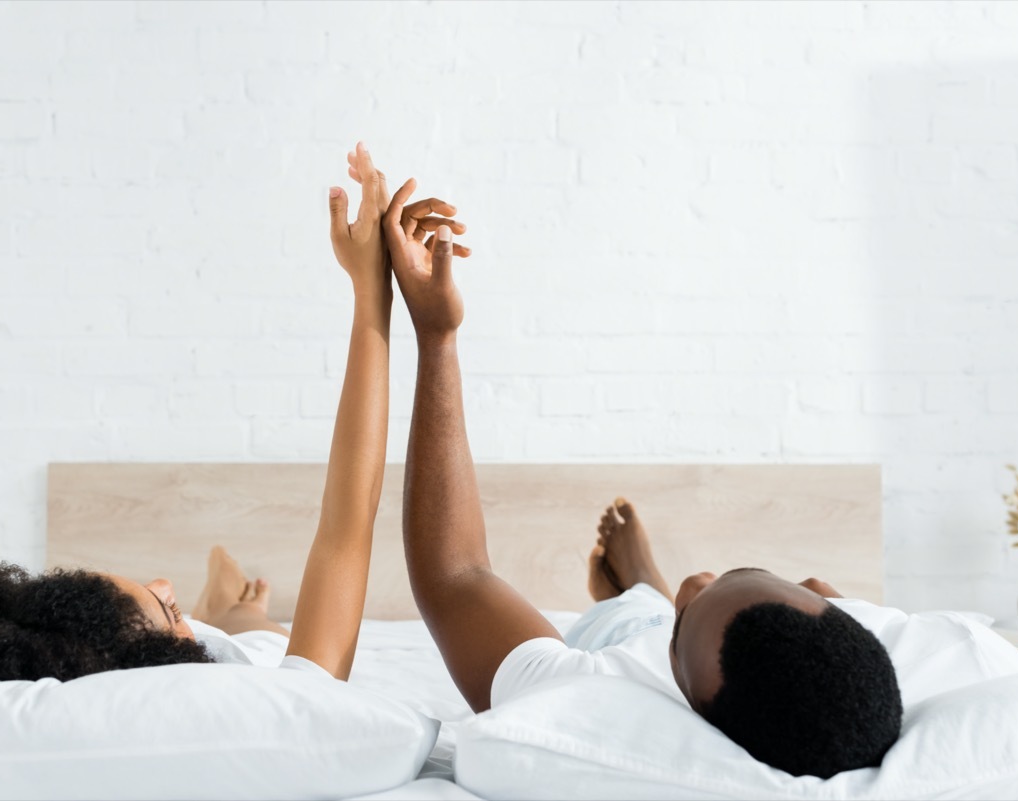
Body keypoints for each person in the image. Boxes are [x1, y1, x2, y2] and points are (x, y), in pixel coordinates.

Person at [0, 142, 466, 685]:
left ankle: (232, 601)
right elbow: (346, 523)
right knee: (255, 637)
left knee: (240, 627)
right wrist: (370, 288)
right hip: (244, 656)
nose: (166, 583)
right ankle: (237, 607)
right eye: (170, 611)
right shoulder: (267, 706)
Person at [381, 179, 903, 779]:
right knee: (657, 608)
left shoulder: (591, 693)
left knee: (632, 621)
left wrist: (436, 336)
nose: (699, 576)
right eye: (734, 573)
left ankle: (637, 593)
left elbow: (457, 575)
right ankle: (645, 587)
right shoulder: (908, 645)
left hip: (624, 638)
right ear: (826, 596)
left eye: (687, 623)